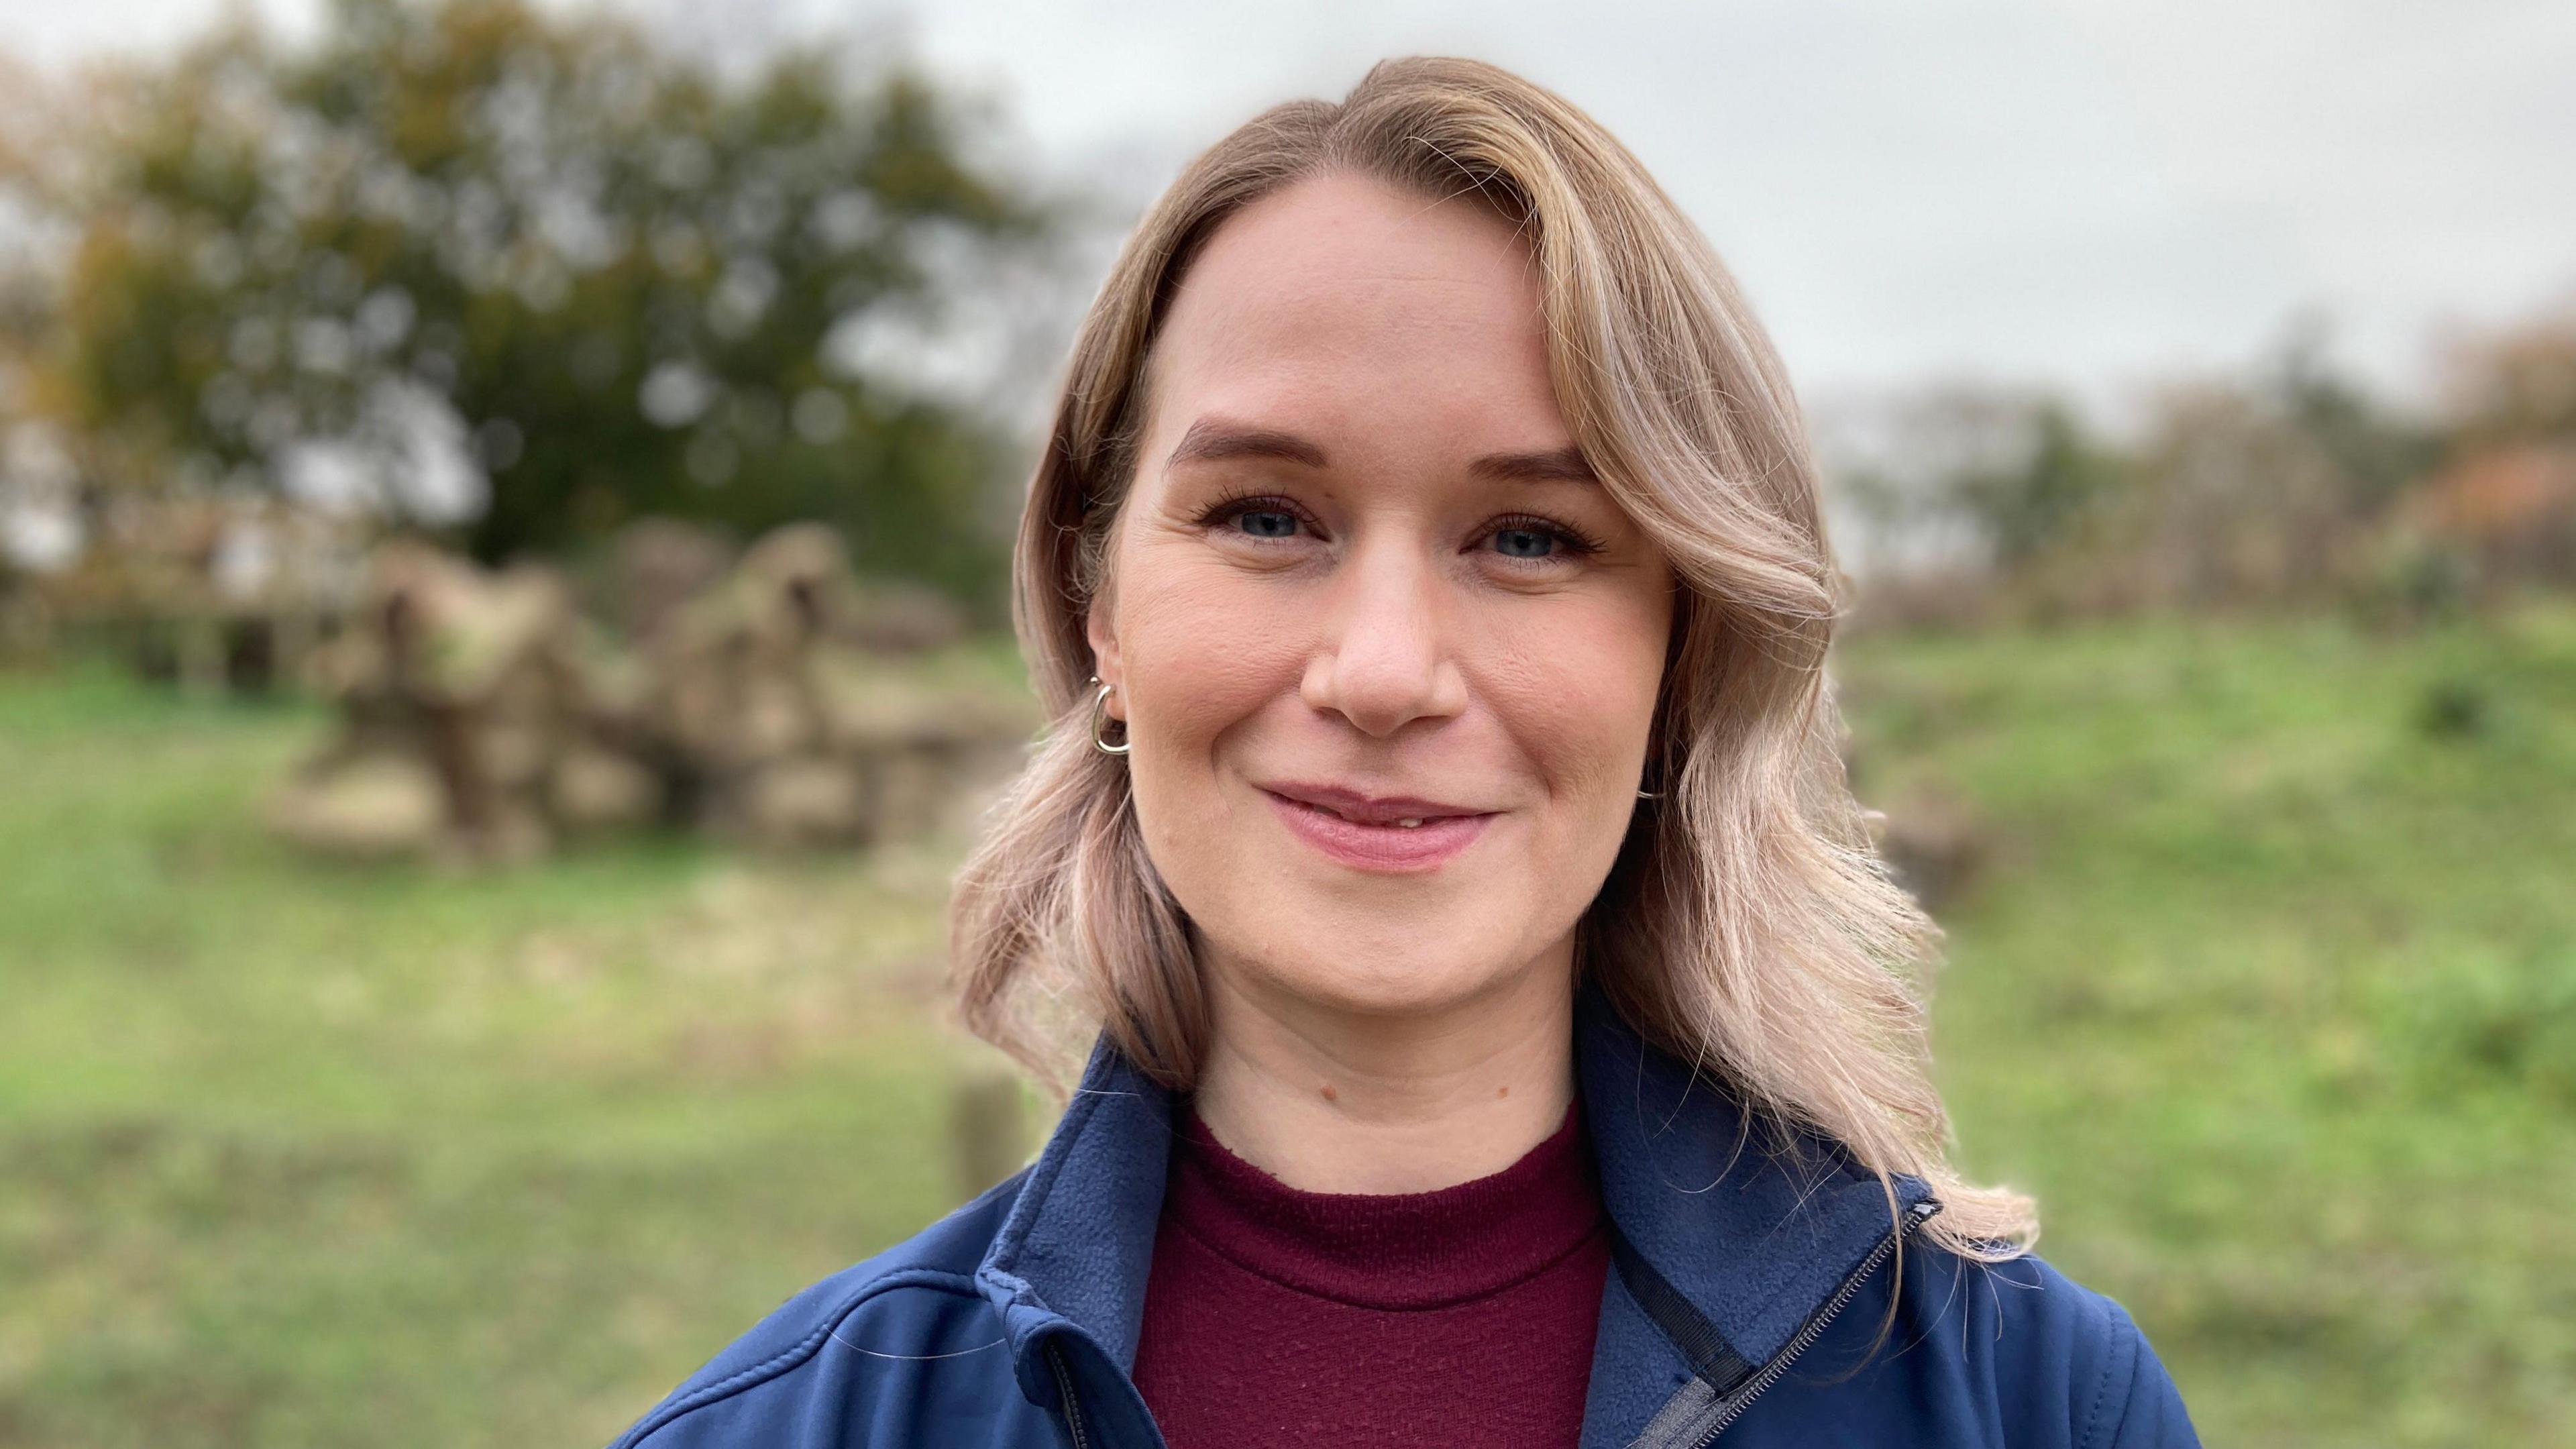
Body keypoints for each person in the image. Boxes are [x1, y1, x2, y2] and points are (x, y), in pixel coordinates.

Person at [606, 56, 2201, 1449]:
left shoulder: (2041, 1407)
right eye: (1267, 518)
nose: (1381, 672)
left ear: (1686, 650)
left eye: (1526, 536)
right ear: (1101, 605)